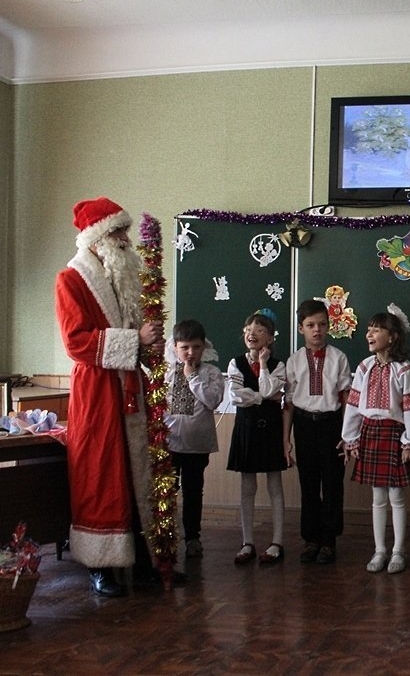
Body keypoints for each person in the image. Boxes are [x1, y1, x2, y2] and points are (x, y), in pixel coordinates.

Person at [55, 196, 165, 597]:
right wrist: (134, 340)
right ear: (98, 237)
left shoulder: (124, 277)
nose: (126, 239)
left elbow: (136, 335)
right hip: (97, 390)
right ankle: (100, 565)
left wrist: (149, 345)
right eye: (118, 232)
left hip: (129, 384)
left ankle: (144, 558)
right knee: (101, 472)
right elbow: (76, 341)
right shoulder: (70, 280)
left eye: (126, 231)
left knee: (136, 472)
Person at [342, 306, 410, 575]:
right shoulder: (364, 367)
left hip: (394, 435)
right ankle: (380, 550)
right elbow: (353, 405)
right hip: (369, 433)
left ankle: (398, 550)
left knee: (396, 496)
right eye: (368, 330)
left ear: (392, 337)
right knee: (377, 497)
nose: (369, 334)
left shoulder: (404, 369)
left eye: (376, 330)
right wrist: (351, 438)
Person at [283, 300, 352, 565]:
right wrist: (286, 439)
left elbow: (345, 398)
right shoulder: (294, 360)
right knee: (308, 482)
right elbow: (289, 403)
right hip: (304, 425)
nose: (317, 330)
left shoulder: (339, 358)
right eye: (311, 325)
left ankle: (329, 540)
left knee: (332, 483)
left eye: (322, 324)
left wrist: (346, 434)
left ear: (329, 326)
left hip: (331, 424)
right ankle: (311, 539)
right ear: (301, 328)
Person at [226, 309, 290, 565]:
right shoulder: (235, 363)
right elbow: (235, 396)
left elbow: (267, 387)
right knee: (247, 487)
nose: (252, 334)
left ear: (270, 338)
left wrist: (263, 366)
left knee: (275, 485)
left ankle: (277, 542)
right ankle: (247, 542)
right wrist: (263, 397)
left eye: (260, 330)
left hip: (271, 428)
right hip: (246, 428)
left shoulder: (278, 365)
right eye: (248, 330)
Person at [164, 319, 224, 560]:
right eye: (185, 347)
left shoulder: (211, 373)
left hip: (197, 446)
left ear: (204, 347)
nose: (190, 353)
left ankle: (192, 537)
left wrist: (192, 377)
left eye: (196, 347)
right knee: (167, 492)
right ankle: (165, 538)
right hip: (168, 444)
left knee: (193, 491)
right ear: (175, 347)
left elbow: (213, 401)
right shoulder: (166, 372)